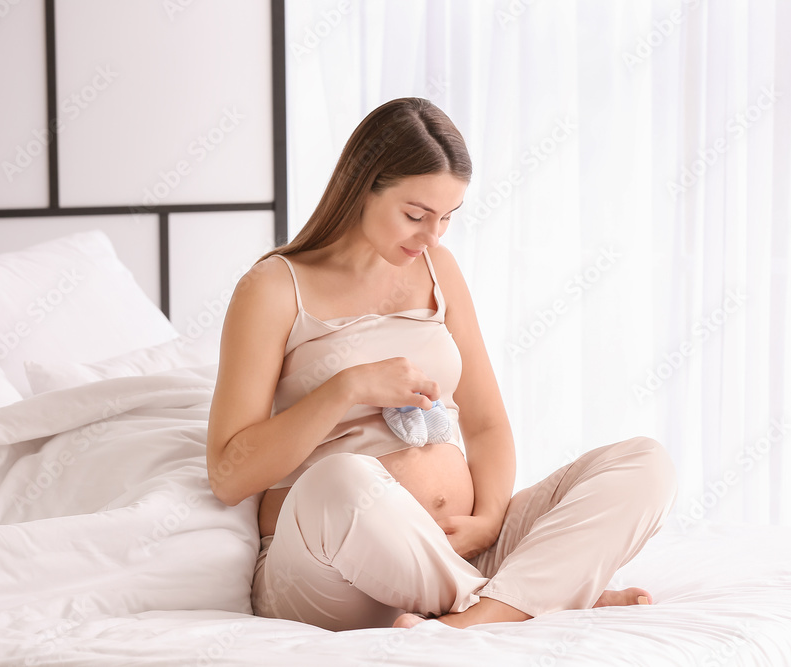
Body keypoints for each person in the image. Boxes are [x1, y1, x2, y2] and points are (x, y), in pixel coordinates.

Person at [205, 97, 678, 632]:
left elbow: (486, 424)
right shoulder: (272, 287)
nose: (432, 237)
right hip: (329, 570)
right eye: (415, 215)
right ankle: (533, 600)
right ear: (362, 187)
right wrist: (347, 386)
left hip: (462, 551)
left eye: (448, 217)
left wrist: (488, 520)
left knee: (645, 462)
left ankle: (481, 616)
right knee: (337, 481)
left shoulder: (438, 269)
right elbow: (228, 475)